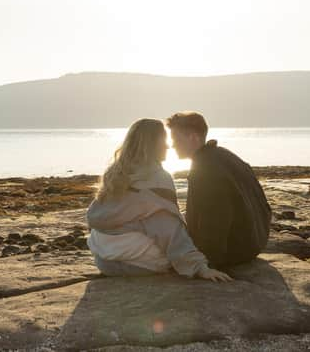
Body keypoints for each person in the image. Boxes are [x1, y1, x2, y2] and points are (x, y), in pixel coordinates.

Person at [86, 118, 232, 282]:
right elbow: (166, 228)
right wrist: (199, 267)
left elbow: (96, 215)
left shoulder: (116, 172)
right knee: (171, 229)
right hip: (134, 265)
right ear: (153, 144)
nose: (169, 146)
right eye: (164, 140)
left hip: (103, 260)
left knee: (164, 217)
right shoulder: (156, 178)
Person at [166, 112, 272, 268]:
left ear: (193, 137)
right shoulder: (223, 155)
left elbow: (216, 219)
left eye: (175, 139)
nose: (172, 145)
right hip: (256, 242)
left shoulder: (206, 170)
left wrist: (206, 263)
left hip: (235, 252)